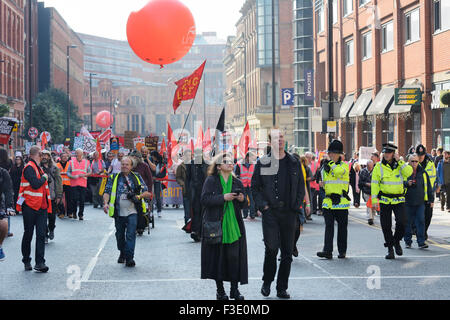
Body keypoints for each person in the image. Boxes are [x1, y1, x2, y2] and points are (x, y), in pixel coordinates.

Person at [251, 128, 305, 299]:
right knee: (272, 249)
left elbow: (300, 187)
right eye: (276, 138)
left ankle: (282, 288)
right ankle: (267, 281)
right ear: (270, 142)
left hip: (289, 213)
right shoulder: (264, 162)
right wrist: (263, 206)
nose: (280, 140)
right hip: (271, 213)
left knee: (287, 253)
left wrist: (297, 206)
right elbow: (255, 187)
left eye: (281, 137)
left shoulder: (293, 162)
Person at [201, 153, 248, 300]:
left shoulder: (237, 182)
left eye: (232, 161)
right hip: (216, 225)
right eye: (226, 162)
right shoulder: (211, 180)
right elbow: (204, 199)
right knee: (217, 259)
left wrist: (241, 199)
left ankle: (235, 290)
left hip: (234, 226)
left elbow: (245, 203)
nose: (230, 164)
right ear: (219, 166)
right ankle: (220, 291)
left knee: (234, 259)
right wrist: (223, 198)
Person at [103, 157, 152, 267]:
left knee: (130, 234)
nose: (124, 166)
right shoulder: (114, 177)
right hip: (118, 211)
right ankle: (122, 252)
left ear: (131, 166)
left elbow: (147, 193)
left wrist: (138, 196)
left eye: (127, 164)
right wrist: (105, 203)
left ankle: (130, 257)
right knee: (120, 235)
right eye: (123, 164)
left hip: (132, 211)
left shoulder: (137, 177)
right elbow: (107, 191)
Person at [371, 143, 413, 259]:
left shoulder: (400, 165)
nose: (386, 155)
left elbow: (409, 172)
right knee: (386, 225)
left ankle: (396, 241)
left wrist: (400, 161)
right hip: (385, 200)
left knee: (402, 222)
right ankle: (390, 249)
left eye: (389, 153)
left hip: (398, 199)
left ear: (394, 154)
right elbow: (375, 184)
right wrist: (374, 200)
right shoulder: (378, 167)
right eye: (385, 152)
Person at [17, 146, 52, 272]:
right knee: (29, 234)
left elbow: (49, 180)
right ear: (36, 154)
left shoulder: (39, 168)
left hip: (41, 206)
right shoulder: (29, 168)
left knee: (41, 234)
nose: (43, 156)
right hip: (30, 206)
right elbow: (36, 184)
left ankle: (40, 263)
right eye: (41, 153)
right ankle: (26, 260)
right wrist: (44, 178)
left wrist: (46, 176)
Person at [316, 140, 350, 260]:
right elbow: (324, 181)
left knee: (342, 227)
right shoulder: (326, 166)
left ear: (339, 154)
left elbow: (337, 172)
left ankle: (342, 251)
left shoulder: (344, 165)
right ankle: (327, 251)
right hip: (329, 200)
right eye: (329, 153)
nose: (330, 155)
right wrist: (321, 183)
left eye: (332, 153)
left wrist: (329, 165)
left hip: (341, 201)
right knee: (328, 226)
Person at [404, 153, 433, 249]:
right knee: (407, 222)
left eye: (416, 161)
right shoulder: (404, 171)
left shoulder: (423, 172)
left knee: (421, 221)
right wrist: (406, 183)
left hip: (420, 202)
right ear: (409, 161)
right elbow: (399, 183)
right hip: (407, 202)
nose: (414, 163)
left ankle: (421, 242)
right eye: (412, 161)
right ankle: (408, 241)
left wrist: (431, 199)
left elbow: (428, 186)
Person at [129, 150, 153, 235]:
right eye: (132, 157)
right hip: (131, 191)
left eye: (135, 157)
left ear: (139, 158)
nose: (134, 158)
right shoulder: (129, 167)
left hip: (142, 191)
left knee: (141, 208)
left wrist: (149, 191)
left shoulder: (144, 166)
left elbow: (150, 179)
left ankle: (140, 226)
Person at [41, 150, 63, 243]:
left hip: (52, 196)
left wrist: (59, 195)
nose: (44, 157)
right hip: (41, 197)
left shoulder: (54, 168)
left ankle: (51, 229)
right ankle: (45, 234)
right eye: (42, 155)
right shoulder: (38, 168)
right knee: (42, 218)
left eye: (46, 155)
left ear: (49, 157)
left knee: (51, 217)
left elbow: (58, 182)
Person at [416, 145, 437, 240]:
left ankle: (424, 231)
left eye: (422, 155)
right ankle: (420, 233)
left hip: (429, 194)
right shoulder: (413, 163)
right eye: (419, 155)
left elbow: (433, 177)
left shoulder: (431, 163)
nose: (420, 157)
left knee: (428, 215)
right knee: (419, 216)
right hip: (417, 194)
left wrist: (434, 190)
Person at [189, 148, 209, 241]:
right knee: (196, 212)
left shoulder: (206, 165)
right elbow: (188, 178)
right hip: (195, 192)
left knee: (203, 212)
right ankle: (195, 231)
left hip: (204, 192)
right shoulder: (191, 164)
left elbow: (207, 177)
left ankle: (201, 232)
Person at [67, 149, 92, 220]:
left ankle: (81, 214)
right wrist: (72, 176)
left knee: (82, 199)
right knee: (74, 199)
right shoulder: (71, 162)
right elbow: (68, 172)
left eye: (80, 154)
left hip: (83, 184)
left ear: (82, 154)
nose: (78, 155)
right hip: (74, 183)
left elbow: (90, 172)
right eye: (77, 153)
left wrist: (85, 174)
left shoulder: (86, 162)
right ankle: (74, 212)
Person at [234, 151, 256, 219]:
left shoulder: (254, 165)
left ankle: (252, 214)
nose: (253, 159)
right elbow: (236, 175)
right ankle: (245, 214)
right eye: (252, 158)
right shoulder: (239, 164)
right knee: (244, 200)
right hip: (242, 186)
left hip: (250, 185)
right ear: (247, 157)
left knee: (252, 200)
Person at [0, 164, 14, 260]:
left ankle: (0, 246)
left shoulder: (3, 172)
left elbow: (8, 190)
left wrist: (9, 206)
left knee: (4, 225)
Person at [176, 149, 192, 225]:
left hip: (194, 190)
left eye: (190, 155)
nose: (189, 157)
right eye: (187, 155)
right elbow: (178, 177)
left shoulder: (194, 165)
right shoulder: (181, 166)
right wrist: (183, 184)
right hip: (186, 191)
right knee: (187, 210)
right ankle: (187, 225)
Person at [148, 150, 167, 218]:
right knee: (150, 197)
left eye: (153, 156)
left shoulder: (162, 163)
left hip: (157, 182)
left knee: (158, 197)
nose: (152, 157)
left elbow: (163, 174)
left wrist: (156, 177)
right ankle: (151, 211)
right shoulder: (150, 161)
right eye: (151, 156)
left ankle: (159, 211)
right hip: (150, 182)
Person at [359, 160, 375, 225]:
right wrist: (366, 184)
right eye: (369, 167)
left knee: (373, 206)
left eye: (372, 167)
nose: (370, 168)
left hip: (374, 191)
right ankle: (370, 218)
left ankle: (372, 217)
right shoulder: (363, 171)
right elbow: (360, 183)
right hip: (366, 191)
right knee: (369, 205)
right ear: (367, 166)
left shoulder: (375, 171)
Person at [56, 153, 71, 218]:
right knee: (60, 199)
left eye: (66, 156)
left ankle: (69, 213)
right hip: (60, 184)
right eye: (63, 156)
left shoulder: (70, 164)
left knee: (69, 199)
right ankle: (61, 212)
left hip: (68, 183)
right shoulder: (57, 165)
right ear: (60, 157)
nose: (65, 158)